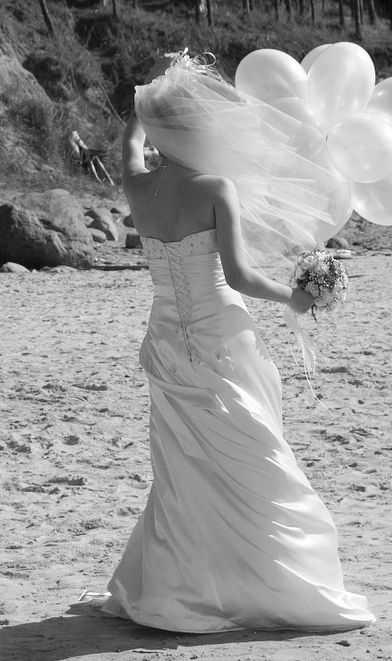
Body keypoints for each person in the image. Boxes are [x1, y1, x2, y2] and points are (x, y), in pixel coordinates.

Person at [100, 51, 375, 633]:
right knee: (252, 447)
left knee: (182, 459)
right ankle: (259, 578)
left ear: (158, 128)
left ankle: (183, 583)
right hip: (222, 332)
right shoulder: (214, 186)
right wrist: (294, 299)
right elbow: (242, 275)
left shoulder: (137, 186)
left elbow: (130, 146)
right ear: (196, 128)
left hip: (166, 337)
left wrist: (144, 104)